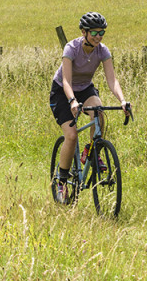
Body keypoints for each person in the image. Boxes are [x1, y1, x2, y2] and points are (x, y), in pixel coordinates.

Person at [50, 12, 130, 204]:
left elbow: (112, 80)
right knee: (71, 135)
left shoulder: (102, 50)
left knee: (99, 112)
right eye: (94, 32)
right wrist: (72, 101)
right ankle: (61, 180)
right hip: (62, 91)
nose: (98, 36)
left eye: (102, 32)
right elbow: (67, 80)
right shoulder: (72, 48)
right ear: (84, 32)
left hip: (85, 88)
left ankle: (91, 151)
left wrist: (122, 100)